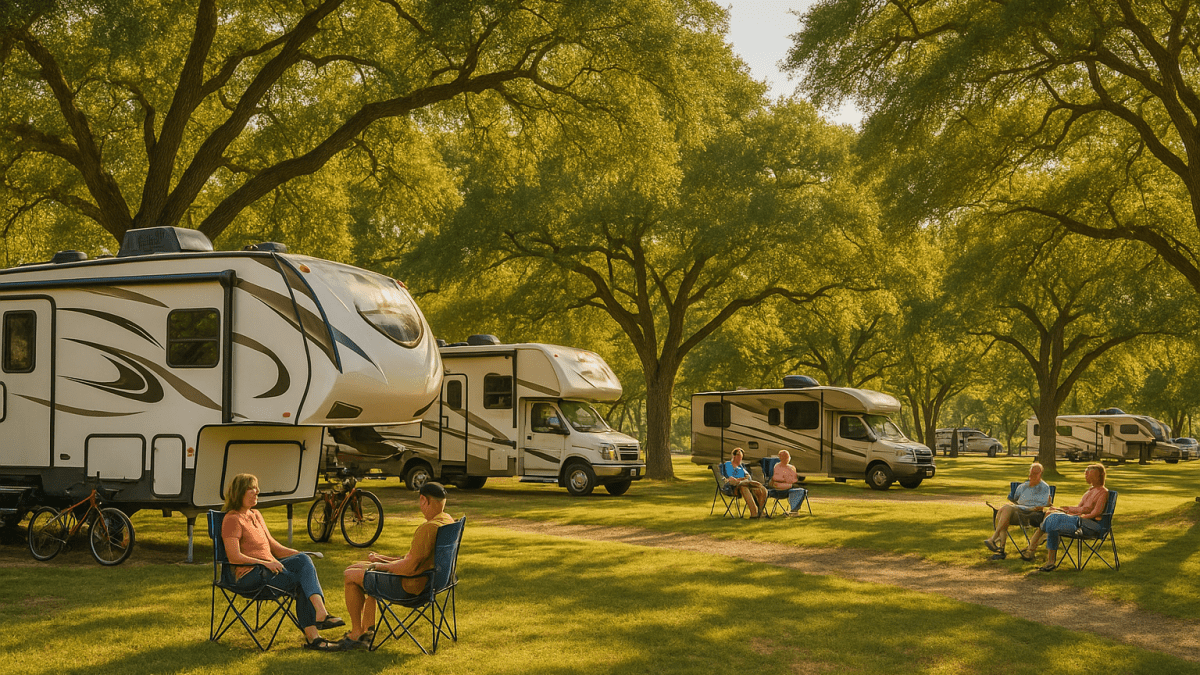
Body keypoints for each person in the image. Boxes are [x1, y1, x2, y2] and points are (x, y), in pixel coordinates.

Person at [221, 473, 344, 651]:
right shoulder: (232, 519)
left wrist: (301, 554)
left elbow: (274, 547)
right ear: (239, 492)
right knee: (303, 579)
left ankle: (316, 632)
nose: (257, 491)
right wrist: (264, 563)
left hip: (271, 573)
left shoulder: (255, 514)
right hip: (251, 577)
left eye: (257, 488)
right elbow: (234, 557)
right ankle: (317, 626)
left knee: (303, 564)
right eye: (251, 488)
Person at [340, 481, 456, 650]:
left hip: (411, 588)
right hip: (431, 582)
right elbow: (415, 560)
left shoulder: (428, 528)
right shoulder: (447, 521)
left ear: (424, 500)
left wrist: (382, 567)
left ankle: (357, 633)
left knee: (350, 576)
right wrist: (384, 559)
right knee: (357, 568)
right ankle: (368, 629)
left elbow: (409, 568)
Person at [1025, 463, 1109, 571]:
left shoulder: (1103, 492)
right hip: (1077, 521)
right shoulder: (1089, 491)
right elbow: (1080, 508)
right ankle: (1049, 561)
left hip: (1090, 525)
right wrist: (1067, 509)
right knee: (1052, 518)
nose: (1085, 475)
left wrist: (1078, 516)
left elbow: (1097, 512)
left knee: (1053, 519)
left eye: (1088, 474)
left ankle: (1034, 547)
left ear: (1096, 476)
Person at [983, 462, 1051, 560]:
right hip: (1019, 511)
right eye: (1031, 473)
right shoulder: (1023, 486)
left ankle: (994, 541)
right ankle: (999, 548)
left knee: (1005, 510)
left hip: (1032, 514)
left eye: (1035, 474)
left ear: (1040, 474)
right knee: (1005, 513)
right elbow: (1014, 499)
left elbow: (1043, 504)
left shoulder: (1044, 487)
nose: (1032, 476)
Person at [721, 448, 768, 518]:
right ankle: (754, 513)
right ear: (733, 456)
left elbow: (748, 477)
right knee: (743, 487)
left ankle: (760, 512)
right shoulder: (728, 465)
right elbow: (731, 479)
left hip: (747, 485)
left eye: (741, 456)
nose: (740, 458)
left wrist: (743, 479)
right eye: (738, 455)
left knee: (762, 489)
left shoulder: (741, 466)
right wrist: (741, 479)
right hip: (734, 487)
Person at [768, 450, 808, 517]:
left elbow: (793, 480)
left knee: (800, 491)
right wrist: (789, 482)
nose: (786, 459)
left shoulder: (792, 467)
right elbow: (776, 480)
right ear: (780, 458)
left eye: (787, 457)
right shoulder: (777, 466)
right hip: (779, 490)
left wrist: (789, 482)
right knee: (797, 490)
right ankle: (794, 511)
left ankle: (794, 511)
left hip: (789, 488)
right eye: (783, 457)